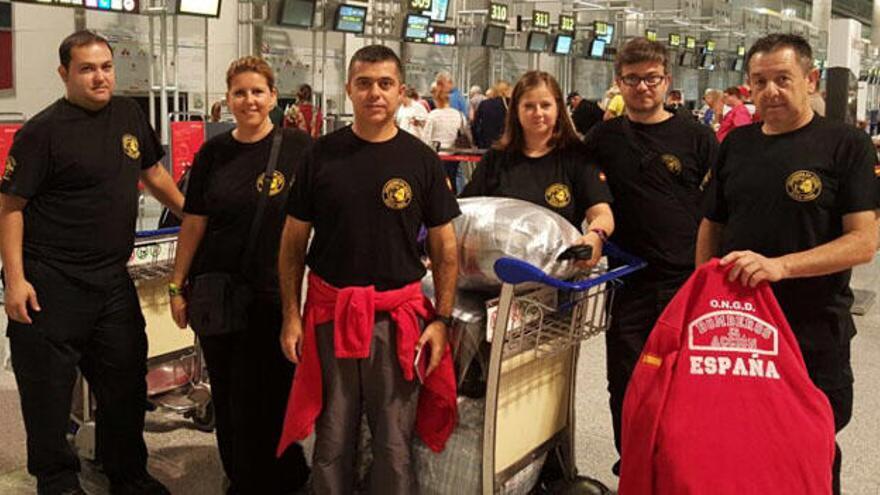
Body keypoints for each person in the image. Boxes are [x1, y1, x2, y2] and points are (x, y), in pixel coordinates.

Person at [0, 30, 184, 495]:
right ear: (65, 73)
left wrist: (194, 215)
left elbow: (153, 172)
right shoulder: (41, 132)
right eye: (87, 68)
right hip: (50, 281)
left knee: (124, 383)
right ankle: (58, 480)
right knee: (48, 392)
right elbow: (10, 208)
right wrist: (15, 281)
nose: (100, 76)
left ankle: (126, 471)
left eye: (106, 66)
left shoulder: (128, 113)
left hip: (111, 280)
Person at [696, 34, 879, 495]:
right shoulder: (736, 144)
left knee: (810, 443)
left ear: (810, 80)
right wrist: (700, 296)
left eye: (783, 79)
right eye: (759, 82)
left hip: (812, 330)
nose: (770, 91)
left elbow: (863, 242)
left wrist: (781, 267)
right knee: (740, 442)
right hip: (738, 331)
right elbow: (712, 226)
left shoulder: (846, 144)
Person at [275, 44, 460, 495]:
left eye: (384, 84)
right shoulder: (321, 155)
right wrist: (291, 316)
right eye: (364, 83)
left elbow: (445, 247)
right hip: (330, 314)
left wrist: (441, 319)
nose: (374, 93)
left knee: (394, 440)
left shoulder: (420, 160)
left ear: (400, 92)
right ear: (348, 90)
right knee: (332, 435)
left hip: (397, 319)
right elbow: (293, 242)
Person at [167, 56, 311, 494]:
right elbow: (194, 222)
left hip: (276, 293)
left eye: (257, 92)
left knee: (272, 392)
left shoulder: (300, 148)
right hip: (220, 291)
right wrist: (177, 285)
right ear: (227, 99)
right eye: (240, 92)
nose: (249, 100)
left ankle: (281, 474)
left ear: (272, 96)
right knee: (230, 393)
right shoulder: (213, 152)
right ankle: (241, 476)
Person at [582, 37, 718, 476]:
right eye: (633, 79)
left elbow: (719, 206)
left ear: (667, 82)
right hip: (629, 280)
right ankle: (635, 464)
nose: (643, 87)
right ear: (618, 82)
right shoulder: (602, 138)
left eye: (652, 78)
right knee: (627, 379)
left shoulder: (697, 135)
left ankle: (682, 468)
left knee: (688, 381)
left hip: (687, 281)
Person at [462, 71, 614, 269]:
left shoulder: (577, 157)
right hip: (496, 276)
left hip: (556, 279)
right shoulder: (496, 158)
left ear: (559, 108)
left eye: (545, 105)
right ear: (516, 110)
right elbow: (466, 212)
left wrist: (596, 236)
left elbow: (602, 213)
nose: (538, 113)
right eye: (529, 106)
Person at [423, 85, 467, 151]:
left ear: (436, 100)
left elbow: (426, 136)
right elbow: (464, 130)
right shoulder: (459, 115)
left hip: (437, 152)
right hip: (454, 153)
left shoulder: (433, 115)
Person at [472, 80, 511, 149]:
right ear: (506, 91)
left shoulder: (484, 104)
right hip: (506, 144)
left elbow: (475, 124)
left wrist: (477, 142)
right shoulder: (511, 104)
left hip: (486, 144)